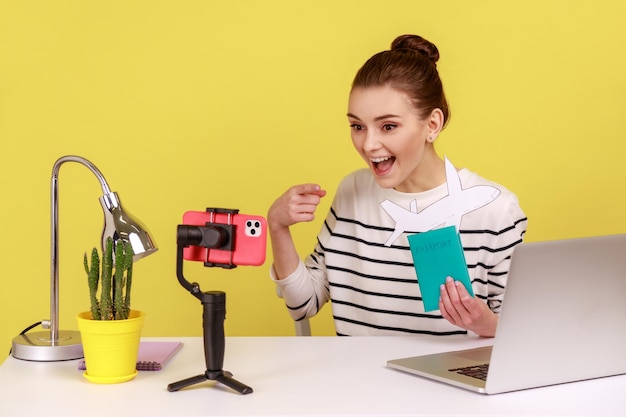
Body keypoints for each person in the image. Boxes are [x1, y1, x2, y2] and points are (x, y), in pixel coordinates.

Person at [268, 34, 528, 337]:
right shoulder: (352, 192)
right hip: (356, 379)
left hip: (449, 381)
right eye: (357, 126)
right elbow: (304, 304)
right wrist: (277, 226)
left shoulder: (497, 210)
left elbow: (522, 336)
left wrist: (483, 324)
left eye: (388, 126)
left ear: (432, 125)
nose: (368, 144)